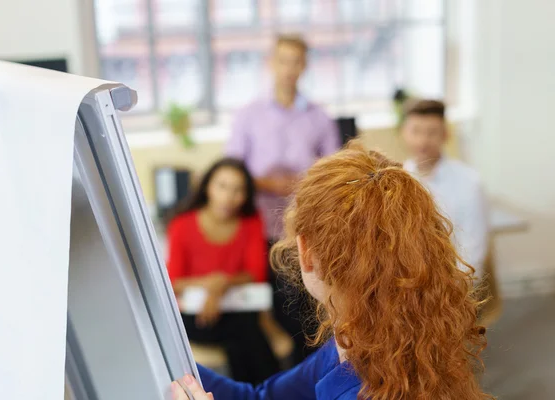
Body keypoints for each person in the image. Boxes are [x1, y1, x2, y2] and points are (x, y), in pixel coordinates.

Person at [172, 141, 492, 400]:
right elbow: (260, 397)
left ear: (305, 252)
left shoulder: (355, 382)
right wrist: (171, 362)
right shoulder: (353, 339)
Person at [226, 34, 341, 363]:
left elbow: (334, 171)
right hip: (260, 231)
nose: (289, 69)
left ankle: (303, 381)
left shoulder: (319, 116)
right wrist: (266, 181)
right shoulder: (248, 115)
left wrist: (301, 184)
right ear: (270, 64)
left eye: (296, 61)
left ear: (304, 66)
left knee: (305, 317)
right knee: (275, 316)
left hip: (305, 232)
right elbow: (232, 170)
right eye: (283, 60)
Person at [166, 158, 279, 384]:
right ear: (207, 186)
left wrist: (221, 286)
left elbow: (256, 273)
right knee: (246, 333)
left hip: (236, 307)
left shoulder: (251, 222)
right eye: (222, 186)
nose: (229, 196)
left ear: (246, 195)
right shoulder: (182, 224)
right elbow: (172, 281)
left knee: (243, 330)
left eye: (238, 189)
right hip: (195, 312)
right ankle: (264, 390)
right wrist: (211, 285)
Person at [401, 99, 489, 279]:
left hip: (454, 286)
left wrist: (450, 294)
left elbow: (474, 251)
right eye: (415, 131)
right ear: (404, 133)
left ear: (445, 135)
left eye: (431, 132)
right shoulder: (397, 182)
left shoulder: (469, 182)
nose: (422, 140)